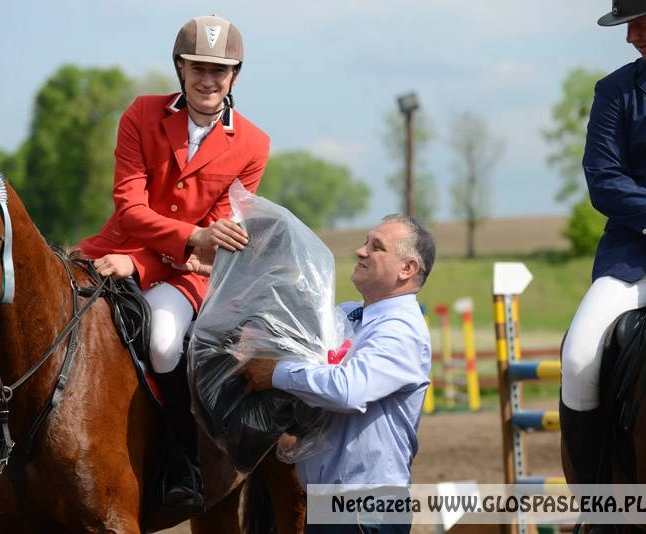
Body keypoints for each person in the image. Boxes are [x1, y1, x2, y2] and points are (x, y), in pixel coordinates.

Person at [76, 14, 270, 513]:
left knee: (162, 343)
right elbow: (130, 208)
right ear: (180, 68)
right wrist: (179, 240)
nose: (208, 80)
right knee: (35, 316)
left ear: (236, 76)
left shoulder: (253, 145)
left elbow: (214, 247)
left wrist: (140, 266)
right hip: (108, 251)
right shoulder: (141, 114)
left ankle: (182, 463)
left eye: (220, 71)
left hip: (181, 276)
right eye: (198, 67)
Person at [241, 214, 435, 534]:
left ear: (407, 269)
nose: (361, 251)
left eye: (377, 247)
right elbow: (291, 324)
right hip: (331, 506)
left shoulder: (401, 331)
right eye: (365, 242)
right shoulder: (348, 315)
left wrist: (276, 372)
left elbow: (348, 391)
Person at [560, 0, 646, 488]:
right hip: (645, 253)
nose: (631, 36)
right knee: (579, 356)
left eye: (640, 23)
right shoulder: (618, 91)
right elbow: (605, 180)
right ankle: (598, 502)